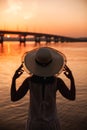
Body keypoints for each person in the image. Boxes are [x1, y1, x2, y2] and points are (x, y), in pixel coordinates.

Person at [11, 47, 76, 130]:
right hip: (51, 123)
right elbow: (71, 97)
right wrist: (71, 79)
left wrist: (14, 79)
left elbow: (14, 98)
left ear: (35, 64)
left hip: (34, 124)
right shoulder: (57, 82)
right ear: (52, 64)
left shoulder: (29, 81)